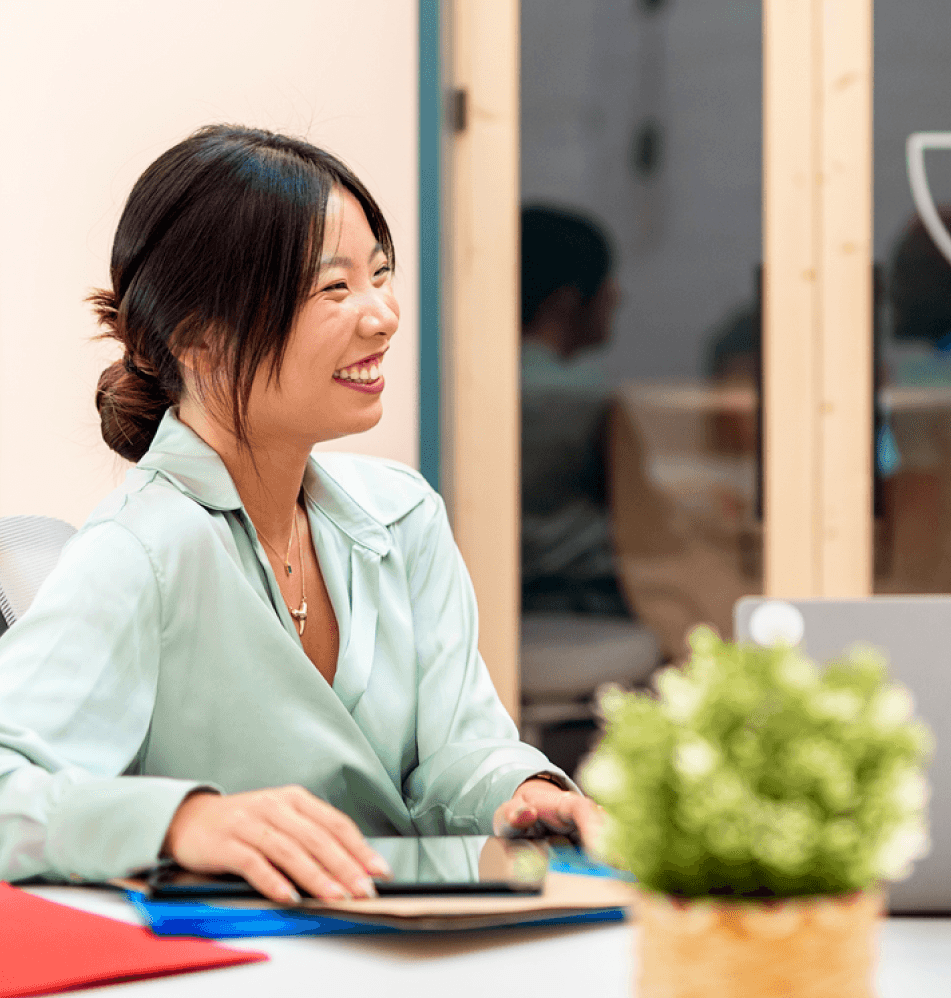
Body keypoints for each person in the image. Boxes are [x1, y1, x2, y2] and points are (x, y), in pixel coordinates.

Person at [0, 126, 599, 902]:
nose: (382, 315)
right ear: (200, 339)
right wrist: (182, 822)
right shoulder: (141, 550)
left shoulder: (404, 515)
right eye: (334, 288)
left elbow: (456, 750)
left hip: (422, 944)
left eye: (381, 275)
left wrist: (522, 793)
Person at [518, 205, 629, 617]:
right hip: (583, 595)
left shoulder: (471, 390)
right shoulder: (586, 398)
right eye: (607, 284)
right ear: (566, 302)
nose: (618, 297)